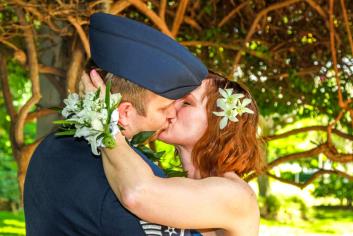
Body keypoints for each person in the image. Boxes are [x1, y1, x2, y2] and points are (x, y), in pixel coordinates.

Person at [23, 13, 207, 235]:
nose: (172, 114)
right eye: (163, 108)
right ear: (125, 112)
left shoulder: (52, 145)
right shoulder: (126, 177)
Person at [83, 70, 264, 236]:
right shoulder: (163, 179)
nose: (170, 107)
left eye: (186, 102)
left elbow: (138, 194)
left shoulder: (237, 196)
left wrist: (103, 118)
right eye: (173, 98)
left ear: (219, 125)